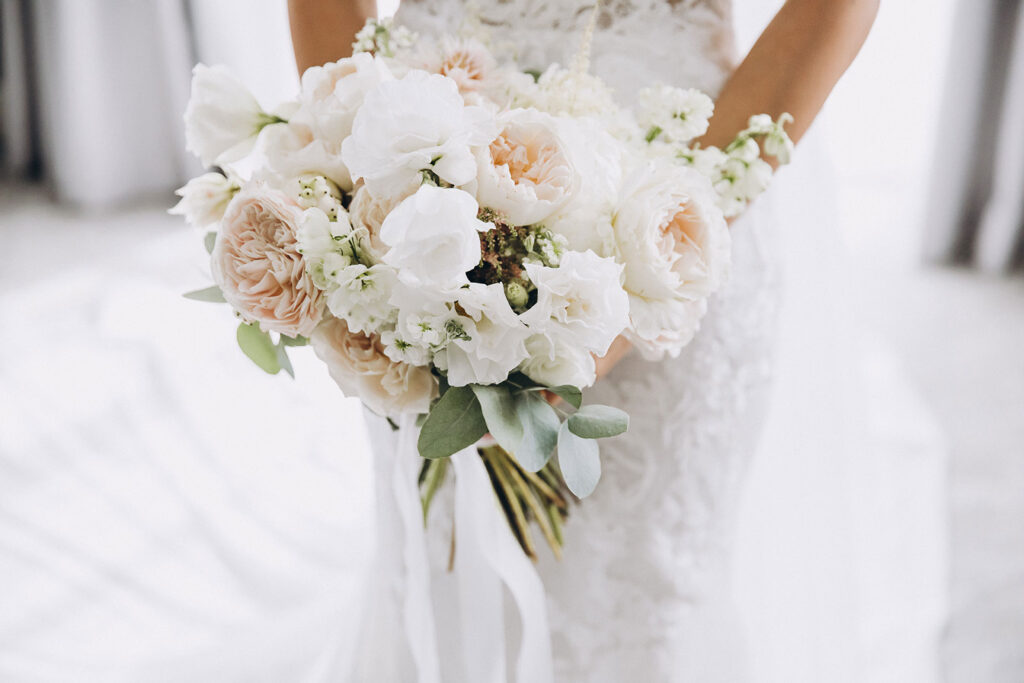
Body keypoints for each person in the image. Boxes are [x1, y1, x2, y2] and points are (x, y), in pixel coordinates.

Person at [288, 1, 880, 680]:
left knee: (642, 585)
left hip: (682, 169)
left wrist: (645, 268)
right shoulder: (386, 198)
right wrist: (356, 177)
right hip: (411, 167)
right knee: (441, 551)